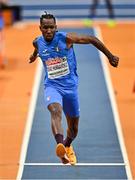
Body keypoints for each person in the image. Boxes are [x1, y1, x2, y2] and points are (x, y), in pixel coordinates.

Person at [29, 12, 119, 165]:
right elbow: (37, 49)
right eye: (45, 28)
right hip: (52, 86)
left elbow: (92, 39)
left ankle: (67, 145)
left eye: (51, 27)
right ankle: (59, 144)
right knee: (55, 111)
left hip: (70, 88)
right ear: (40, 28)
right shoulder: (37, 42)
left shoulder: (66, 39)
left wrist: (110, 56)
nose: (49, 31)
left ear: (56, 28)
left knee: (74, 128)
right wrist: (33, 56)